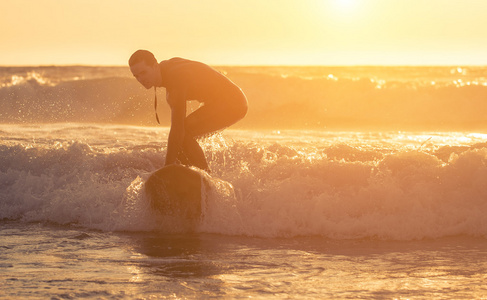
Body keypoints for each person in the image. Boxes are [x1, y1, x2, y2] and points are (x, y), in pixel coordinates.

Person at [129, 50, 248, 172]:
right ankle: (188, 176)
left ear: (154, 66)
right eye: (136, 76)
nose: (141, 79)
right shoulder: (166, 70)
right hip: (220, 101)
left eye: (144, 72)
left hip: (233, 103)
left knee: (183, 133)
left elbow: (177, 128)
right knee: (180, 143)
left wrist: (167, 167)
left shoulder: (175, 79)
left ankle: (205, 177)